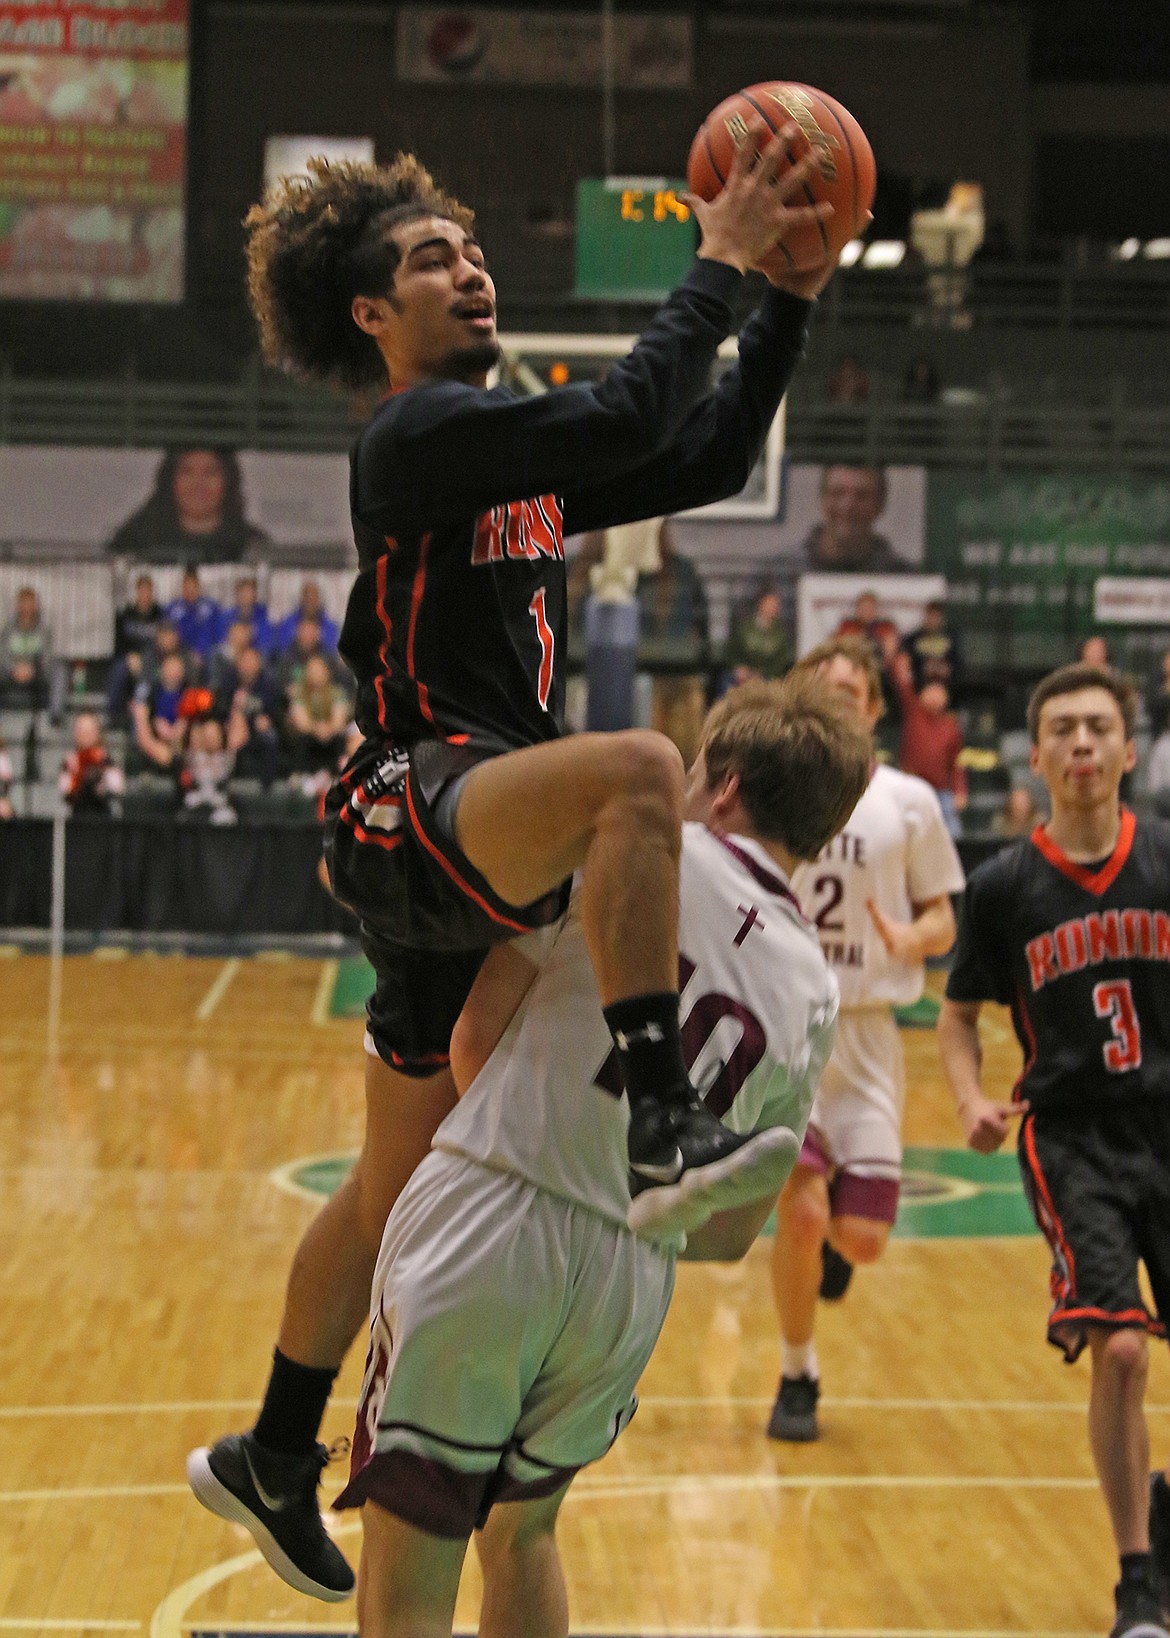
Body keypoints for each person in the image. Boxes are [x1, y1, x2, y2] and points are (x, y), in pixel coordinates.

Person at [186, 142, 843, 1599]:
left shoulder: (512, 473)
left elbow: (707, 451)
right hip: (409, 804)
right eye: (429, 259)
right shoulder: (415, 434)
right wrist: (723, 255)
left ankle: (274, 1451)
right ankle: (657, 1103)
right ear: (369, 314)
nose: (467, 268)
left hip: (468, 845)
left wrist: (787, 300)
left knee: (388, 1177)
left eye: (470, 251)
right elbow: (628, 402)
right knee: (639, 773)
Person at [219, 674, 869, 1636]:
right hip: (630, 1279)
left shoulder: (618, 848)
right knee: (523, 1538)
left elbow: (477, 1038)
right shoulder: (815, 986)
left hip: (497, 1214)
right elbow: (728, 1234)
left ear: (722, 784)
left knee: (411, 1557)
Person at [937, 662, 1170, 1638]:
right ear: (1035, 756)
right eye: (1063, 729)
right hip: (1073, 1136)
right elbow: (957, 1016)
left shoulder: (1164, 857)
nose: (1082, 743)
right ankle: (1137, 1583)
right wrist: (971, 1099)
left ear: (1127, 750)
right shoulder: (1004, 886)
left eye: (1098, 727)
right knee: (1118, 1348)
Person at [767, 635, 964, 1443]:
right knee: (802, 1212)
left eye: (854, 690)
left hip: (873, 1035)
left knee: (864, 1239)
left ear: (875, 709)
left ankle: (835, 1253)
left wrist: (912, 938)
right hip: (788, 1027)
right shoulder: (772, 790)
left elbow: (943, 917)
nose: (840, 698)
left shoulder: (909, 800)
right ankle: (796, 1373)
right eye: (825, 686)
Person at [105, 446, 270, 564]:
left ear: (228, 481)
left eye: (210, 472)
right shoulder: (134, 541)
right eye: (187, 471)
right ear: (170, 479)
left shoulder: (251, 545)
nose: (198, 484)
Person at [890, 648, 968, 838]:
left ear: (946, 698)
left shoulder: (951, 725)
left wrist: (960, 790)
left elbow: (956, 762)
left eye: (939, 691)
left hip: (941, 792)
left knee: (954, 834)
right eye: (931, 690)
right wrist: (898, 660)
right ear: (923, 694)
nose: (935, 695)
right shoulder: (914, 712)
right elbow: (902, 684)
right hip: (911, 786)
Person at [791, 465, 910, 575]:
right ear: (822, 499)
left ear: (880, 505)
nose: (848, 506)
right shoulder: (779, 572)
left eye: (861, 496)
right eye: (837, 493)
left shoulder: (903, 576)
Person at [106, 573, 165, 722]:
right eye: (142, 591)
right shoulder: (125, 615)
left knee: (152, 677)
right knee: (118, 669)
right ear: (137, 592)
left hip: (153, 662)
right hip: (129, 659)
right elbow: (118, 646)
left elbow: (164, 643)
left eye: (148, 591)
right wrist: (129, 657)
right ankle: (114, 715)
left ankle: (148, 717)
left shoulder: (160, 615)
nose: (145, 595)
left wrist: (146, 660)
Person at [0, 585, 61, 715]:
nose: (26, 607)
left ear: (35, 606)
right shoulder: (8, 629)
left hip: (36, 673)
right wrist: (13, 668)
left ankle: (55, 715)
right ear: (18, 606)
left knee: (58, 668)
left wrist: (32, 669)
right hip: (11, 672)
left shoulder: (44, 630)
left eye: (30, 603)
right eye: (23, 603)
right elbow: (3, 654)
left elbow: (47, 656)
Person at [720, 583, 791, 688]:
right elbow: (732, 652)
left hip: (766, 678)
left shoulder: (780, 633)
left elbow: (780, 662)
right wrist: (739, 667)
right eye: (770, 603)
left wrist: (762, 674)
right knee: (726, 680)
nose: (774, 607)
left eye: (776, 604)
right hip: (742, 675)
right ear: (761, 603)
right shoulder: (745, 628)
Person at [59, 712, 124, 816]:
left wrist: (101, 785)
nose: (85, 734)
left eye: (89, 730)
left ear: (98, 732)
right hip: (77, 817)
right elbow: (66, 792)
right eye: (81, 730)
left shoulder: (106, 760)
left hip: (103, 817)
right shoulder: (70, 761)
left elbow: (117, 788)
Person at [902, 597, 962, 690]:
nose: (933, 620)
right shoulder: (913, 638)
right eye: (930, 616)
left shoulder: (951, 637)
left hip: (946, 683)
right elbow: (906, 664)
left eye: (936, 617)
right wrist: (922, 666)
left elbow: (958, 661)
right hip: (920, 683)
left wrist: (948, 668)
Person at [272, 578, 340, 656]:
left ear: (318, 600)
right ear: (302, 598)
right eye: (307, 597)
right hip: (294, 662)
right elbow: (282, 648)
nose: (310, 601)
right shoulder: (287, 623)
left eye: (314, 597)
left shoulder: (330, 626)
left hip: (320, 662)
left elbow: (331, 651)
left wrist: (316, 638)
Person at [165, 567, 221, 659]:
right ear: (182, 588)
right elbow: (169, 634)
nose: (190, 591)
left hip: (206, 654)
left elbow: (213, 633)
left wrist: (200, 651)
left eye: (193, 587)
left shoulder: (211, 608)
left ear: (198, 587)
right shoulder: (172, 609)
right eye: (187, 587)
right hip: (179, 652)